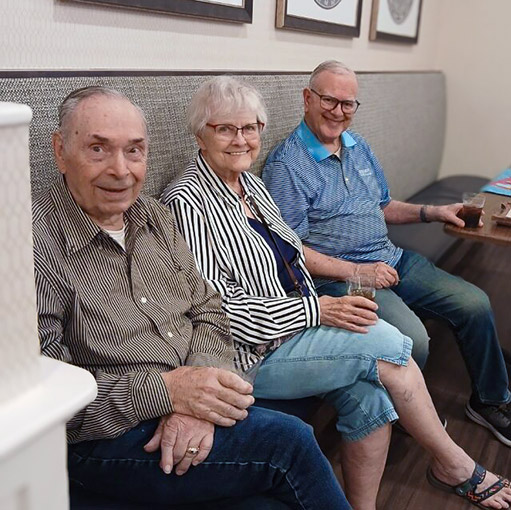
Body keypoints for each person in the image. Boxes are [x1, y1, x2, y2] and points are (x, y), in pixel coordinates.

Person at [160, 75, 511, 510]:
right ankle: (454, 465)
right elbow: (220, 311)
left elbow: (291, 255)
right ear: (200, 133)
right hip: (250, 352)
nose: (241, 139)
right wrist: (321, 307)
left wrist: (325, 306)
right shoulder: (188, 202)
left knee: (372, 397)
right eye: (225, 129)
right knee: (392, 344)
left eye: (249, 128)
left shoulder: (250, 185)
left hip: (298, 322)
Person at [32, 85, 352, 510]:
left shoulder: (153, 216)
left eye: (134, 151)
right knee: (291, 441)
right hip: (109, 436)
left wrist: (194, 399)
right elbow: (51, 397)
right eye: (97, 149)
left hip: (193, 393)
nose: (121, 170)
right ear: (59, 150)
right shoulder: (32, 245)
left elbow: (210, 311)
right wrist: (167, 392)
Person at [262, 60, 511, 448]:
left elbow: (381, 205)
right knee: (413, 340)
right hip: (340, 279)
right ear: (307, 98)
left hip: (390, 258)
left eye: (348, 104)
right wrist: (359, 270)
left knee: (474, 302)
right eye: (329, 100)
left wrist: (432, 213)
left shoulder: (358, 146)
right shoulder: (286, 166)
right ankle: (399, 415)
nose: (338, 112)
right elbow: (287, 250)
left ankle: (491, 399)